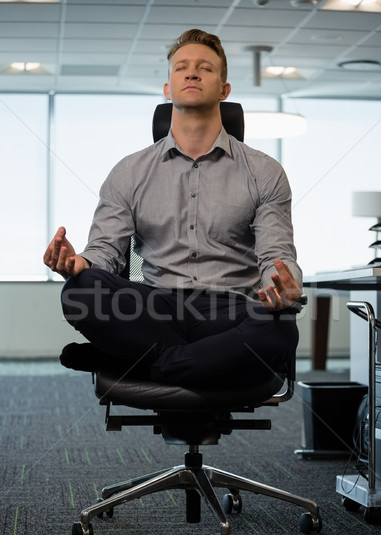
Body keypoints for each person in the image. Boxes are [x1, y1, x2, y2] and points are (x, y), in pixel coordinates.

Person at [43, 29, 302, 389]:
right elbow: (107, 254)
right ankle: (204, 360)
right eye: (181, 67)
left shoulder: (264, 172)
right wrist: (80, 264)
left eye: (205, 68)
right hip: (153, 309)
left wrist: (284, 286)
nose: (192, 73)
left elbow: (276, 254)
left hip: (231, 311)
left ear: (224, 90)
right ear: (168, 89)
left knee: (281, 329)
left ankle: (136, 364)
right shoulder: (129, 171)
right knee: (79, 291)